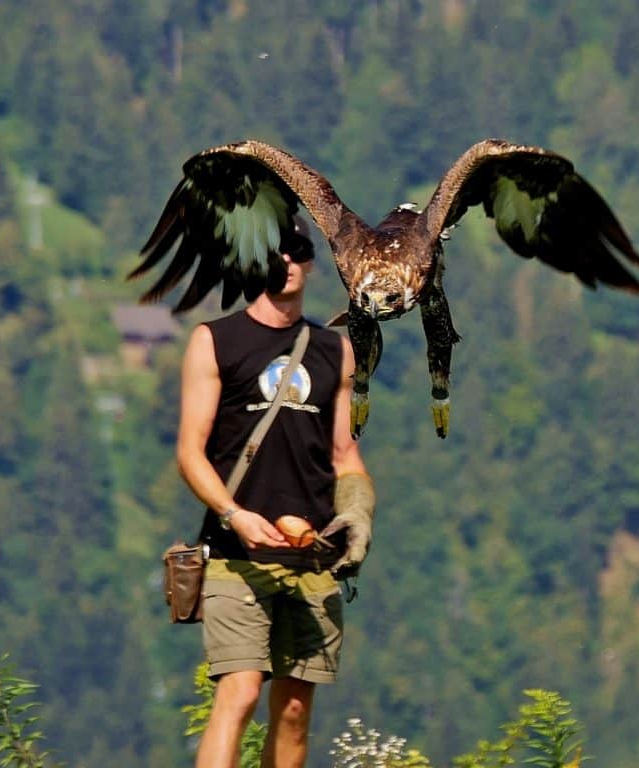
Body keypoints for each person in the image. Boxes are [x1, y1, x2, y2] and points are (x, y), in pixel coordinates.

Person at [175, 218, 375, 768]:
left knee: (292, 710)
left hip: (312, 558)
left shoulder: (337, 351)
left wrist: (358, 515)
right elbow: (191, 452)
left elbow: (344, 455)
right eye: (274, 253)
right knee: (239, 692)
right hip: (237, 556)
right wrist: (234, 515)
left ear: (310, 262)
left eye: (297, 251)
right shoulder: (215, 341)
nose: (286, 262)